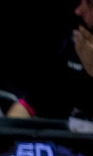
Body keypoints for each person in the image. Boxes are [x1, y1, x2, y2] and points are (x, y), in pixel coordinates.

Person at [8, 0, 93, 130]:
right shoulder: (75, 46)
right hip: (70, 145)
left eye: (89, 3)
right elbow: (32, 103)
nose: (78, 11)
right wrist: (8, 130)